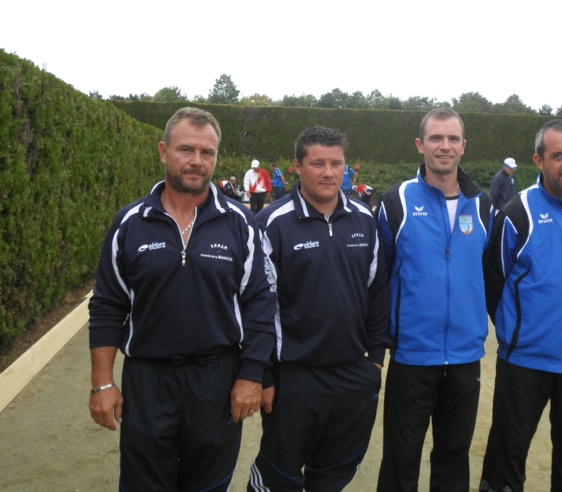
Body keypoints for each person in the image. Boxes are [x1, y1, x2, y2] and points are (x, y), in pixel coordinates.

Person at [87, 107, 276, 491]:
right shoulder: (130, 223)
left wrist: (251, 373)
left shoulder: (240, 223)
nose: (196, 161)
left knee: (207, 486)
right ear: (163, 151)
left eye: (207, 153)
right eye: (186, 149)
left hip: (217, 381)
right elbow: (108, 303)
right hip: (148, 381)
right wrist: (102, 383)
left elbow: (260, 302)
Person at [247, 126, 390, 491]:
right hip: (294, 376)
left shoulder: (364, 219)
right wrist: (264, 375)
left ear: (347, 168)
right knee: (280, 475)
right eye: (318, 163)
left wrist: (374, 359)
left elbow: (378, 292)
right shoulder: (270, 223)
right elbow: (258, 306)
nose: (328, 172)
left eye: (336, 164)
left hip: (354, 373)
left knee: (334, 472)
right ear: (297, 166)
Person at [479, 119, 562, 492]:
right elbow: (494, 282)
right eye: (558, 156)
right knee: (507, 456)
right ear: (539, 161)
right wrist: (519, 330)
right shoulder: (516, 213)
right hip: (525, 360)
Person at [376, 108, 493, 492]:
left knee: (454, 455)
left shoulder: (484, 207)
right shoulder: (397, 202)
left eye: (453, 139)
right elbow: (378, 279)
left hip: (464, 357)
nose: (445, 146)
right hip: (412, 356)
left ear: (464, 146)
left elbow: (494, 275)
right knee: (400, 457)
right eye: (436, 138)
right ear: (420, 144)